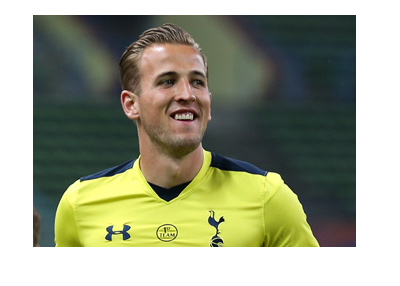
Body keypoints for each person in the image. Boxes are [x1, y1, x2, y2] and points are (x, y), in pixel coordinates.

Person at [54, 23, 319, 247]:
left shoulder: (268, 197)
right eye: (167, 81)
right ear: (130, 104)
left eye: (197, 82)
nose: (187, 94)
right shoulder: (80, 203)